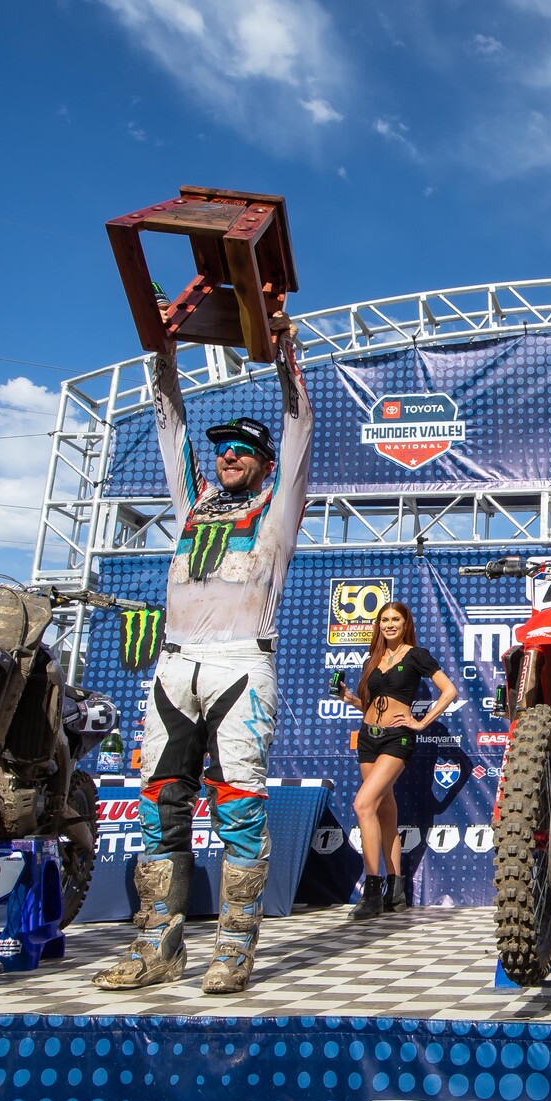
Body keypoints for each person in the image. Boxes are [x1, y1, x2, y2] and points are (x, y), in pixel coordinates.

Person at [94, 333, 312, 995]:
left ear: (265, 464)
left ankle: (234, 952)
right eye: (223, 448)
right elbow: (171, 428)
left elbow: (298, 429)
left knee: (238, 807)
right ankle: (157, 949)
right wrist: (161, 356)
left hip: (240, 667)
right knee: (160, 803)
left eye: (243, 448)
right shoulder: (193, 502)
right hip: (173, 667)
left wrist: (287, 356)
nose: (229, 455)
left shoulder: (277, 509)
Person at [335, 602, 458, 919]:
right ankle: (396, 890)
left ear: (406, 624)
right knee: (384, 810)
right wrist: (351, 699)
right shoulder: (372, 659)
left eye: (396, 620)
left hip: (397, 738)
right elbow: (370, 704)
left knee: (363, 804)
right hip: (367, 738)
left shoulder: (416, 655)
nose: (389, 624)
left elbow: (449, 691)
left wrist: (421, 721)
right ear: (378, 625)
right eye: (384, 620)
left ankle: (371, 891)